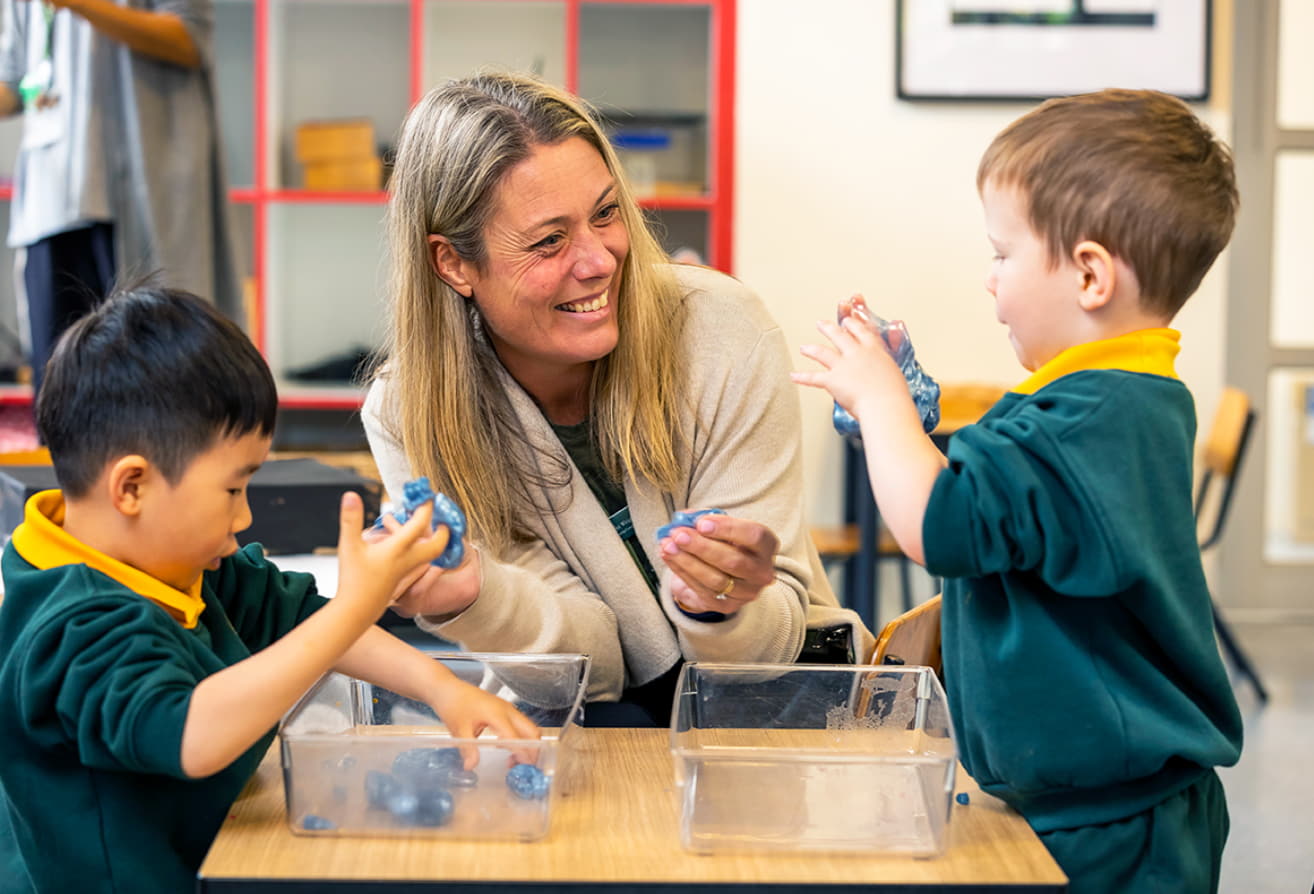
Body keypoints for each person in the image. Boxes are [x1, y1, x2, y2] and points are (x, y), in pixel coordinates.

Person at [794, 88, 1244, 893]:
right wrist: (911, 416)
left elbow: (939, 523)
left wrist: (879, 401)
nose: (990, 282)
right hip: (1118, 803)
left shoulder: (1080, 421)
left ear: (1090, 274)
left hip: (1109, 826)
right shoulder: (1123, 399)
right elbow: (995, 504)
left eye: (1002, 255)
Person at [362, 71, 872, 726]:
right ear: (454, 263)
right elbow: (591, 672)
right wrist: (477, 597)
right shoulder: (409, 414)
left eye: (605, 214)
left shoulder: (721, 330)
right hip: (591, 715)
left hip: (774, 700)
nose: (599, 260)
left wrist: (718, 604)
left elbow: (768, 645)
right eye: (549, 241)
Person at [0, 285, 540, 894]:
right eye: (234, 490)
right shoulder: (73, 627)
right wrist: (356, 606)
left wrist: (443, 689)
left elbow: (300, 619)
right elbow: (189, 735)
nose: (244, 519)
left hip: (218, 855)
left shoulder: (177, 562)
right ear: (132, 488)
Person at [0, 0, 239, 397]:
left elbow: (190, 38)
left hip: (146, 196)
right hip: (52, 200)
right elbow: (13, 80)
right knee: (60, 389)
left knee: (157, 385)